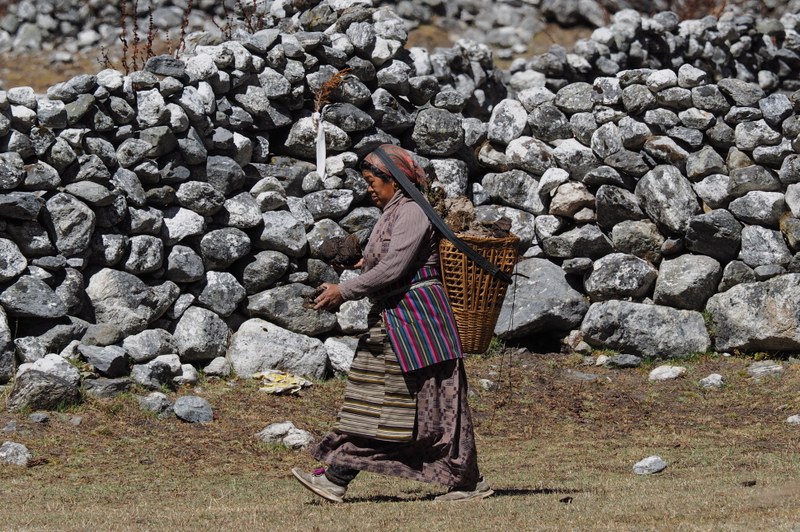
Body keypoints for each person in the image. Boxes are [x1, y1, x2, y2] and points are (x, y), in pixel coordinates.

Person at [291, 144, 493, 503]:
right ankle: (341, 475)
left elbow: (395, 269)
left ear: (395, 180)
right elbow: (385, 262)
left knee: (418, 401)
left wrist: (346, 291)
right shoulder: (393, 212)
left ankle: (339, 476)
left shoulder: (413, 211)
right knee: (377, 400)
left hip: (419, 321)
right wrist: (357, 266)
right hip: (394, 319)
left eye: (372, 181)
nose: (369, 188)